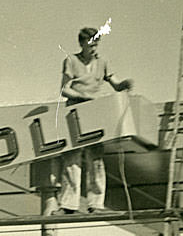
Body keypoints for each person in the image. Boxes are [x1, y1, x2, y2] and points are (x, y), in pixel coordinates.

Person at [53, 27, 134, 214]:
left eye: (97, 43)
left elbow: (116, 84)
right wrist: (85, 97)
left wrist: (124, 85)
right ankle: (68, 205)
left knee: (96, 158)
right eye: (91, 43)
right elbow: (64, 89)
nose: (94, 47)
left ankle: (95, 203)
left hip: (95, 114)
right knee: (72, 159)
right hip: (75, 112)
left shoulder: (103, 62)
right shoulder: (71, 60)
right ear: (81, 43)